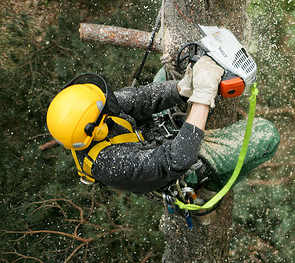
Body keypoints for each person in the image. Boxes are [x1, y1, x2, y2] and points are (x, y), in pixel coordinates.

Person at [45, 56, 279, 205]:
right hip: (174, 169)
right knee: (267, 135)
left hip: (153, 133)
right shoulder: (112, 164)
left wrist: (183, 87)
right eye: (105, 109)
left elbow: (141, 98)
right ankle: (208, 190)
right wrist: (203, 96)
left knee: (168, 72)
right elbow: (177, 159)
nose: (110, 103)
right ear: (95, 130)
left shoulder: (97, 111)